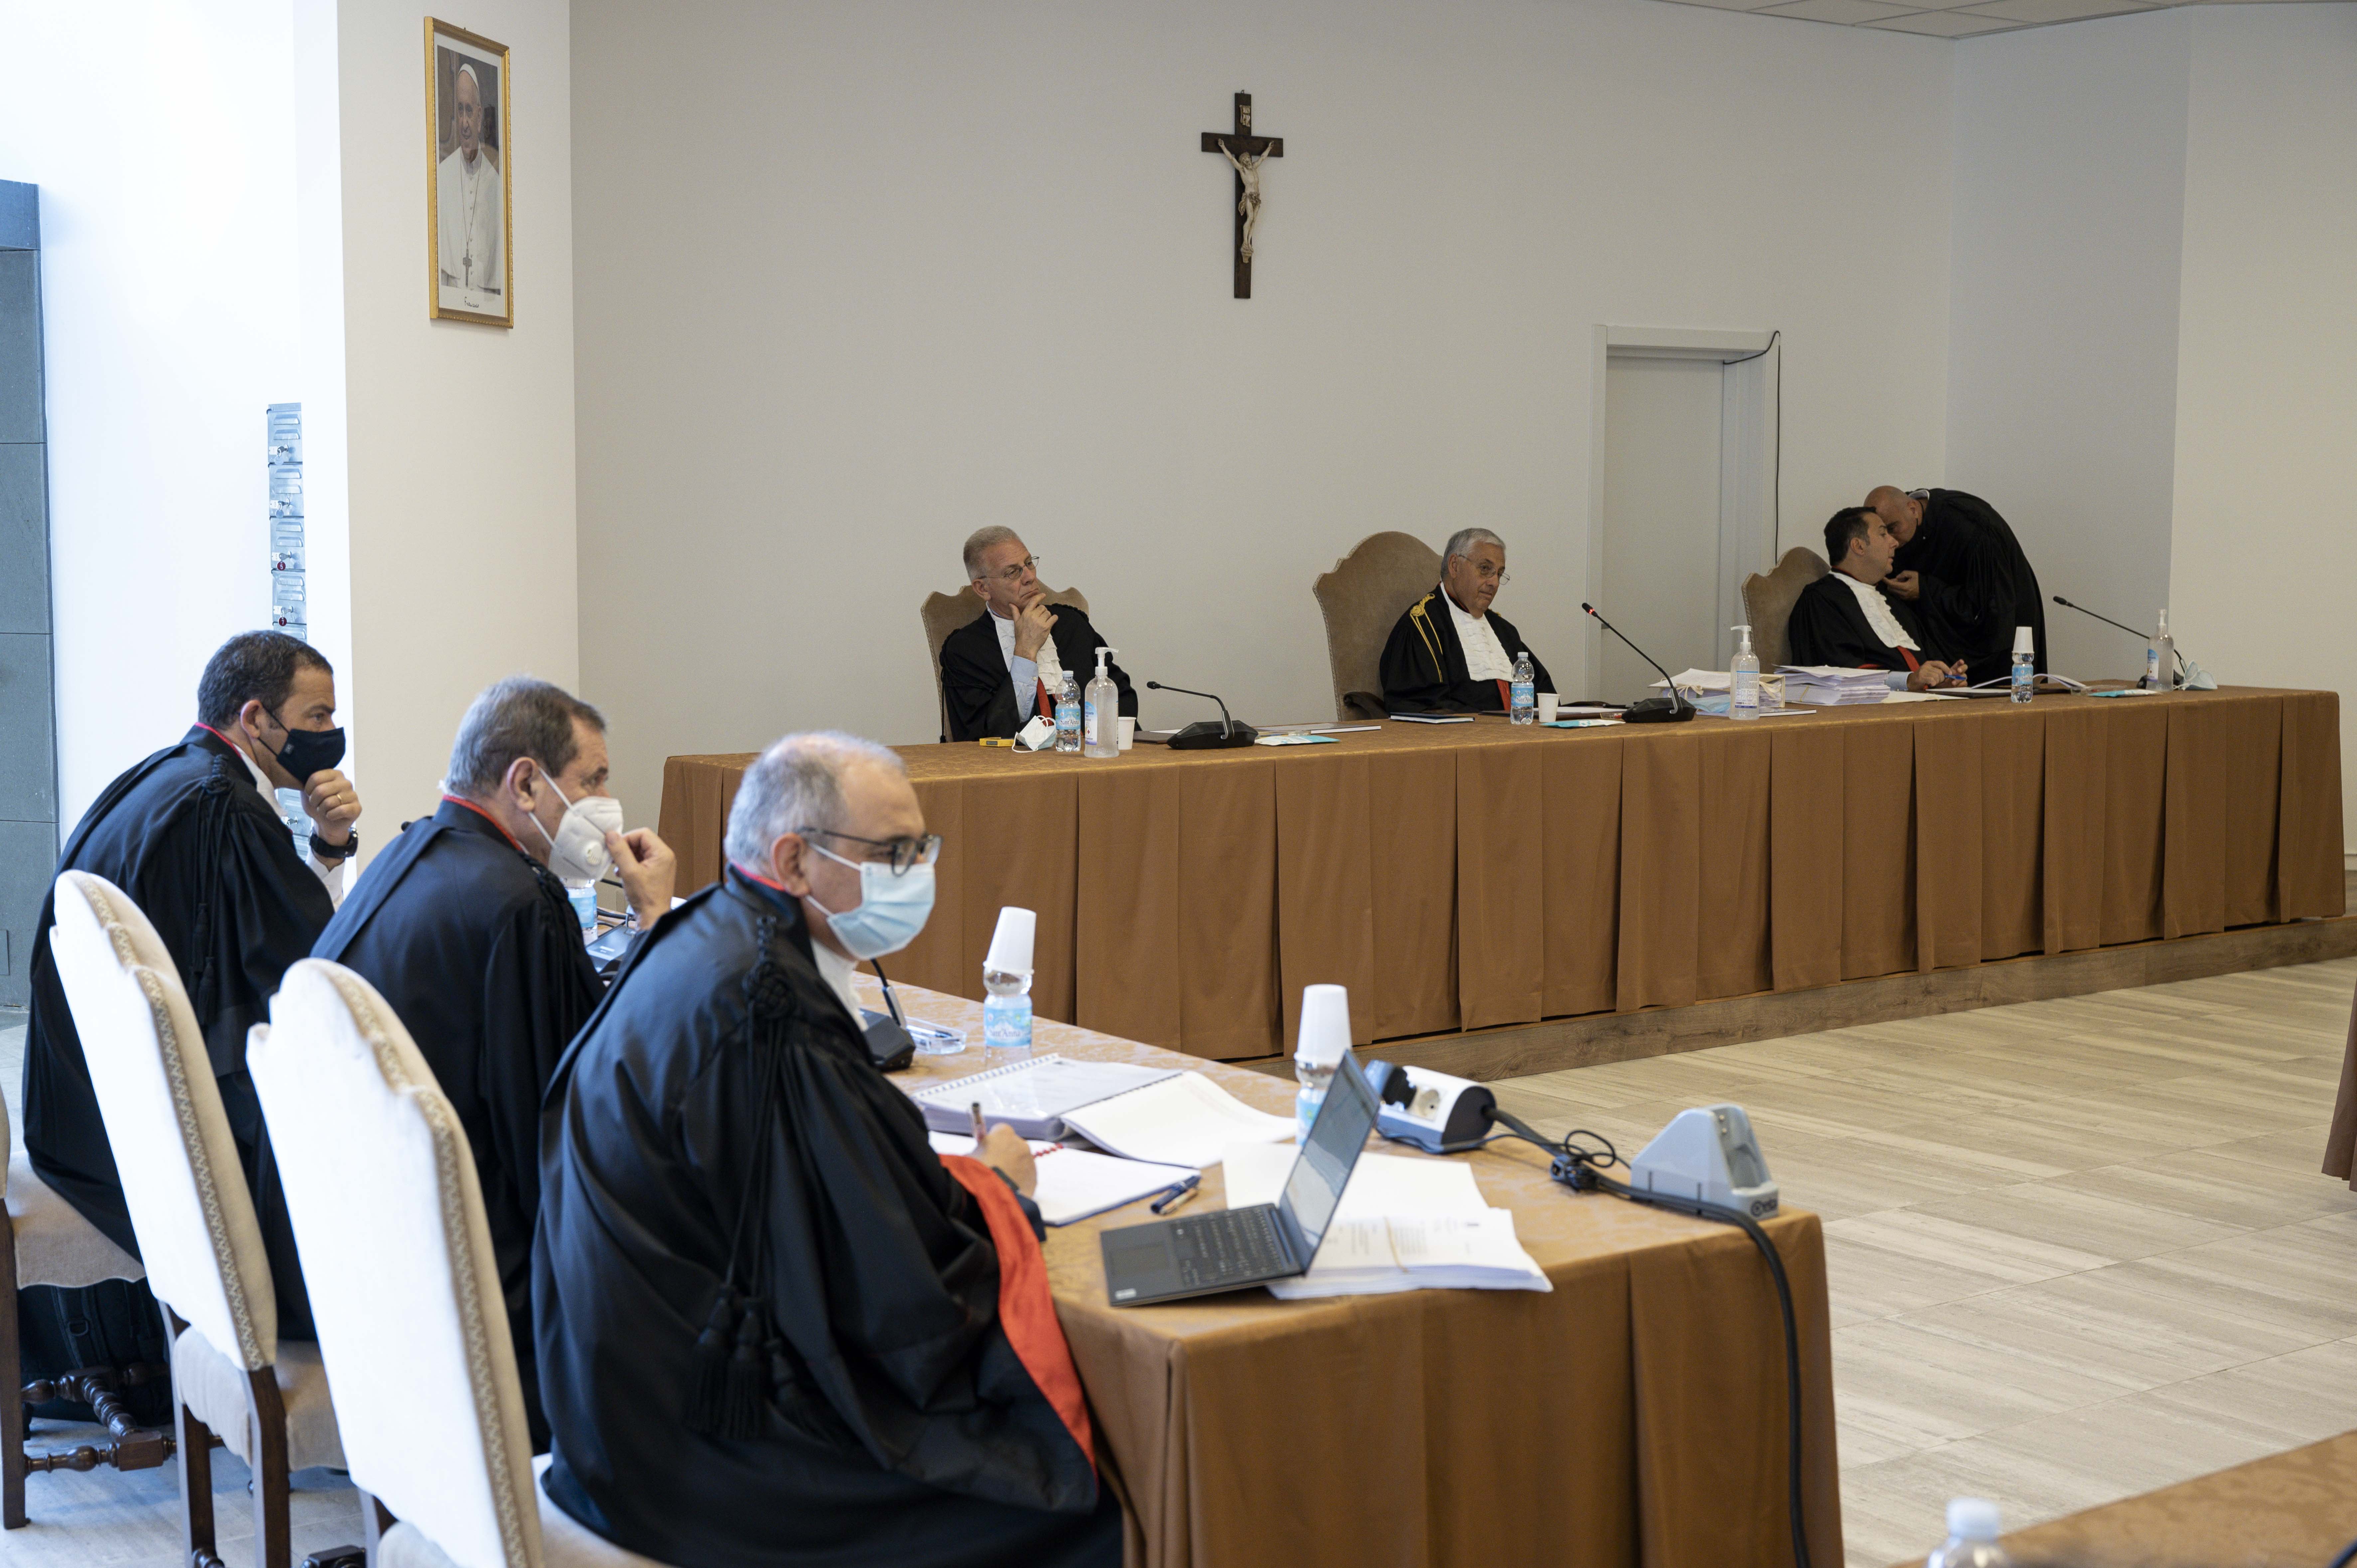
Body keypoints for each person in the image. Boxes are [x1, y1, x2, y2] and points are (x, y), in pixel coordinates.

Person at [534, 731, 1117, 1567]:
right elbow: (896, 1290)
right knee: (1093, 1505)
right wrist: (998, 1194)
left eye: (923, 847)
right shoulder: (770, 1010)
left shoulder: (706, 933)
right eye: (894, 852)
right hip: (695, 1459)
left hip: (619, 1407)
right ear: (794, 860)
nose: (917, 871)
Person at [311, 676, 674, 1448]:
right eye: (595, 780)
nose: (609, 800)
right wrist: (654, 927)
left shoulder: (407, 852)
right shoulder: (517, 902)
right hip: (478, 1282)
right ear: (525, 781)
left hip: (367, 1243)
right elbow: (574, 1126)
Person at [23, 630, 364, 1337]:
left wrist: (325, 844)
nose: (333, 734)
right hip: (128, 1137)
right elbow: (302, 981)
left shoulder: (163, 774)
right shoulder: (226, 809)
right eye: (318, 715)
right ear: (256, 719)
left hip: (74, 1103)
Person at [939, 526, 1135, 742]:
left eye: (1029, 563)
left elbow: (1120, 695)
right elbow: (985, 734)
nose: (1030, 577)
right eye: (1013, 572)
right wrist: (1025, 652)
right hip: (1015, 770)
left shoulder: (1071, 624)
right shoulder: (965, 650)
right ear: (983, 588)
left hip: (1089, 759)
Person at [1866, 485, 2046, 677]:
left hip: (1999, 648)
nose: (1891, 541)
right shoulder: (1907, 513)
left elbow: (1988, 609)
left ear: (1913, 509)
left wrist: (1925, 589)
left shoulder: (1972, 529)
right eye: (1883, 534)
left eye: (1893, 529)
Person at [1788, 507, 1969, 691]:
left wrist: (1944, 679)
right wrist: (1908, 681)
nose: (1895, 542)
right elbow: (1838, 672)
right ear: (1859, 546)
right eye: (1884, 534)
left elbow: (1925, 664)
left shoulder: (1893, 603)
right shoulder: (1821, 600)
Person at [1379, 527, 1555, 712]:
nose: (1495, 583)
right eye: (1485, 569)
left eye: (1499, 574)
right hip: (1463, 738)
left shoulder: (1504, 631)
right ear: (1455, 566)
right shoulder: (1422, 626)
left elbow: (1544, 694)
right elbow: (1421, 706)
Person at [436, 62, 504, 305]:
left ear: (479, 115)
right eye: (460, 110)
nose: (464, 122)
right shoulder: (442, 177)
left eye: (469, 111)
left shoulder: (495, 185)